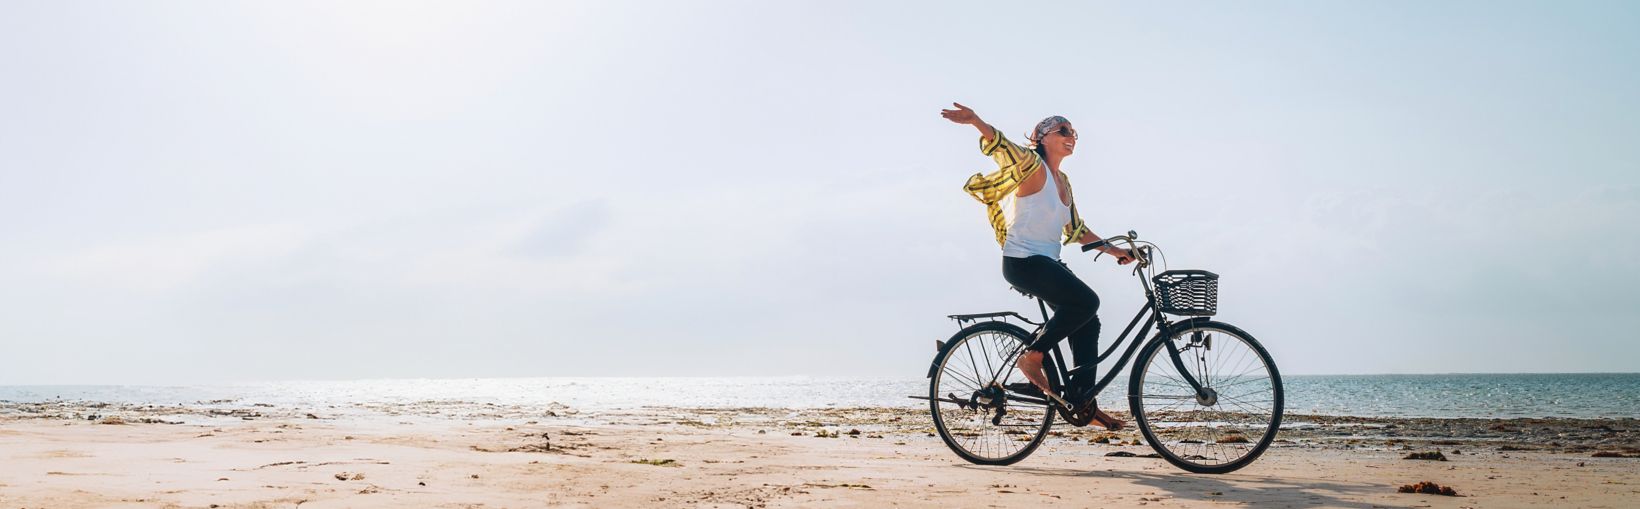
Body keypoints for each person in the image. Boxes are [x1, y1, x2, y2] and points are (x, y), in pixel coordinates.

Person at [941, 102, 1130, 431]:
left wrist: (1117, 251)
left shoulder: (1063, 182)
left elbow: (1075, 229)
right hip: (1023, 261)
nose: (1072, 137)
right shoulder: (1032, 165)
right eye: (1064, 131)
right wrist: (976, 121)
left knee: (1088, 320)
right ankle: (1032, 356)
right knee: (1087, 302)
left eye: (1074, 133)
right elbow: (1003, 146)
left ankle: (1082, 400)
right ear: (1043, 138)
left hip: (1047, 261)